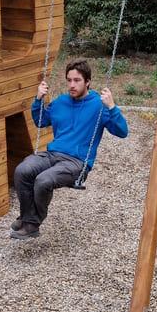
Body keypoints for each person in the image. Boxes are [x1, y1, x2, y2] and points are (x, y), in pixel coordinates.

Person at [10, 59, 129, 240]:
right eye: (69, 80)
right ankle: (27, 218)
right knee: (22, 171)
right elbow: (41, 121)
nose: (72, 85)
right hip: (52, 154)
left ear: (87, 81)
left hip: (76, 162)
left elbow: (122, 132)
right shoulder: (61, 102)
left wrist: (112, 107)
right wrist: (38, 99)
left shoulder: (99, 105)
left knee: (43, 180)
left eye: (77, 80)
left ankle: (32, 223)